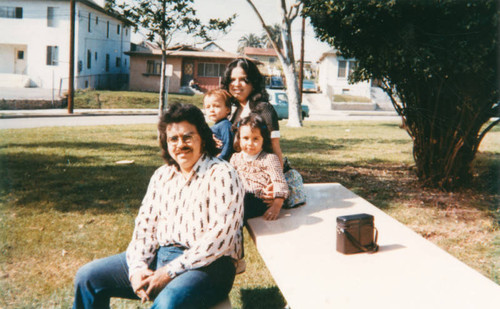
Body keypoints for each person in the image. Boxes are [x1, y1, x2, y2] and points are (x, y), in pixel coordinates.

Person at [73, 103, 245, 309]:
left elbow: (219, 239)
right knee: (89, 277)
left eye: (187, 137)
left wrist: (169, 272)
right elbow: (144, 229)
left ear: (202, 137)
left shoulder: (222, 174)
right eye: (173, 139)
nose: (180, 144)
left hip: (210, 267)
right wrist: (137, 269)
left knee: (167, 304)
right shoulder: (162, 176)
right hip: (162, 257)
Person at [221, 58, 284, 167]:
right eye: (232, 79)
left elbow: (275, 148)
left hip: (261, 172)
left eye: (243, 79)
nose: (236, 84)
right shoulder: (232, 111)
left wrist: (276, 179)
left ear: (253, 82)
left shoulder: (264, 109)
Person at [230, 113, 289, 222]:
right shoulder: (235, 158)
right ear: (239, 139)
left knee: (238, 207)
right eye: (246, 138)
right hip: (238, 197)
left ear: (263, 139)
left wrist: (276, 206)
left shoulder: (269, 159)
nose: (250, 143)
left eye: (255, 139)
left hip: (257, 200)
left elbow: (280, 182)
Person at [204, 89, 234, 161]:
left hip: (220, 161)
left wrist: (220, 160)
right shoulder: (216, 125)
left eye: (216, 106)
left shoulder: (225, 125)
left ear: (228, 109)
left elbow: (228, 145)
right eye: (208, 107)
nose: (211, 110)